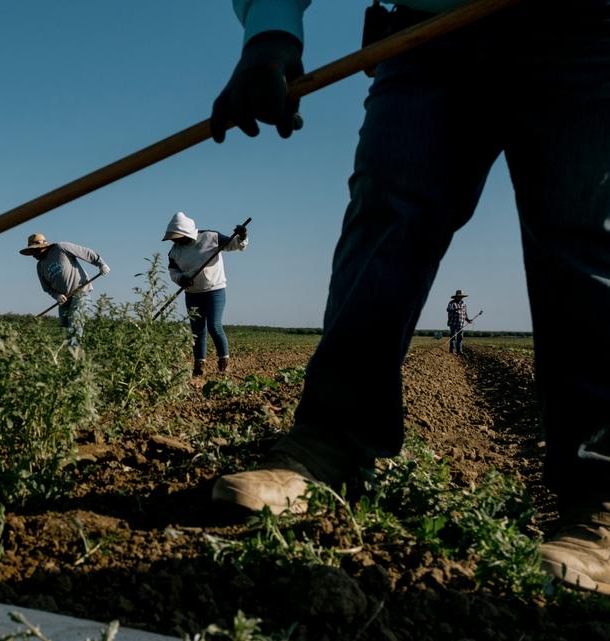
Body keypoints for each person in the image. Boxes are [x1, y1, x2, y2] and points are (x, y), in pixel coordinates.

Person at [206, 0, 610, 595]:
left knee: (584, 244)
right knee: (385, 220)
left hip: (587, 31)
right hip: (427, 31)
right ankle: (330, 443)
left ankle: (600, 495)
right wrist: (271, 32)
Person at [163, 212, 248, 376]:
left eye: (176, 237)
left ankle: (224, 362)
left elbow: (235, 245)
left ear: (185, 233)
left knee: (214, 326)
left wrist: (242, 236)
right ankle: (199, 365)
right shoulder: (174, 252)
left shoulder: (211, 237)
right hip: (192, 294)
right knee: (197, 330)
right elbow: (173, 272)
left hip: (214, 290)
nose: (174, 240)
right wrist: (181, 279)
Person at [20, 233, 109, 345]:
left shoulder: (61, 248)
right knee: (65, 328)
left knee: (75, 324)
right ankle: (69, 352)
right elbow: (47, 288)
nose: (33, 254)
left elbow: (85, 252)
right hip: (64, 300)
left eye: (35, 250)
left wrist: (101, 263)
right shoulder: (40, 266)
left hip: (80, 292)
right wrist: (56, 296)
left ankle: (74, 356)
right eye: (32, 251)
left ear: (43, 246)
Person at [446, 290, 470, 355]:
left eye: (461, 296)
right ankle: (452, 351)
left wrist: (468, 320)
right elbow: (448, 309)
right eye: (459, 296)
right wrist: (455, 309)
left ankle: (459, 351)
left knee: (460, 337)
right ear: (456, 297)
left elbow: (465, 313)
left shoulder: (464, 304)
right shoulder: (451, 303)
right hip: (453, 323)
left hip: (461, 323)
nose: (460, 297)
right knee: (453, 337)